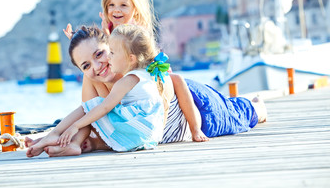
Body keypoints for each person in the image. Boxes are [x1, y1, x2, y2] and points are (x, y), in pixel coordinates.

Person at [26, 25, 266, 157]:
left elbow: (177, 82)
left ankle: (257, 104)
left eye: (100, 54)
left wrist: (195, 129)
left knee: (238, 112)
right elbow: (98, 112)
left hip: (197, 108)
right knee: (91, 102)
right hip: (159, 127)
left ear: (113, 49)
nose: (97, 66)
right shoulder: (104, 77)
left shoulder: (135, 70)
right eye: (85, 65)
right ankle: (62, 139)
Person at [63, 0, 207, 142]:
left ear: (135, 11)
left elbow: (129, 56)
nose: (116, 10)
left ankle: (195, 128)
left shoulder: (136, 32)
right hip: (125, 85)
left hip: (144, 78)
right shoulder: (110, 30)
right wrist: (77, 39)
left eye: (123, 5)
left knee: (178, 80)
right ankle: (79, 133)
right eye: (111, 5)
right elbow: (101, 50)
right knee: (90, 75)